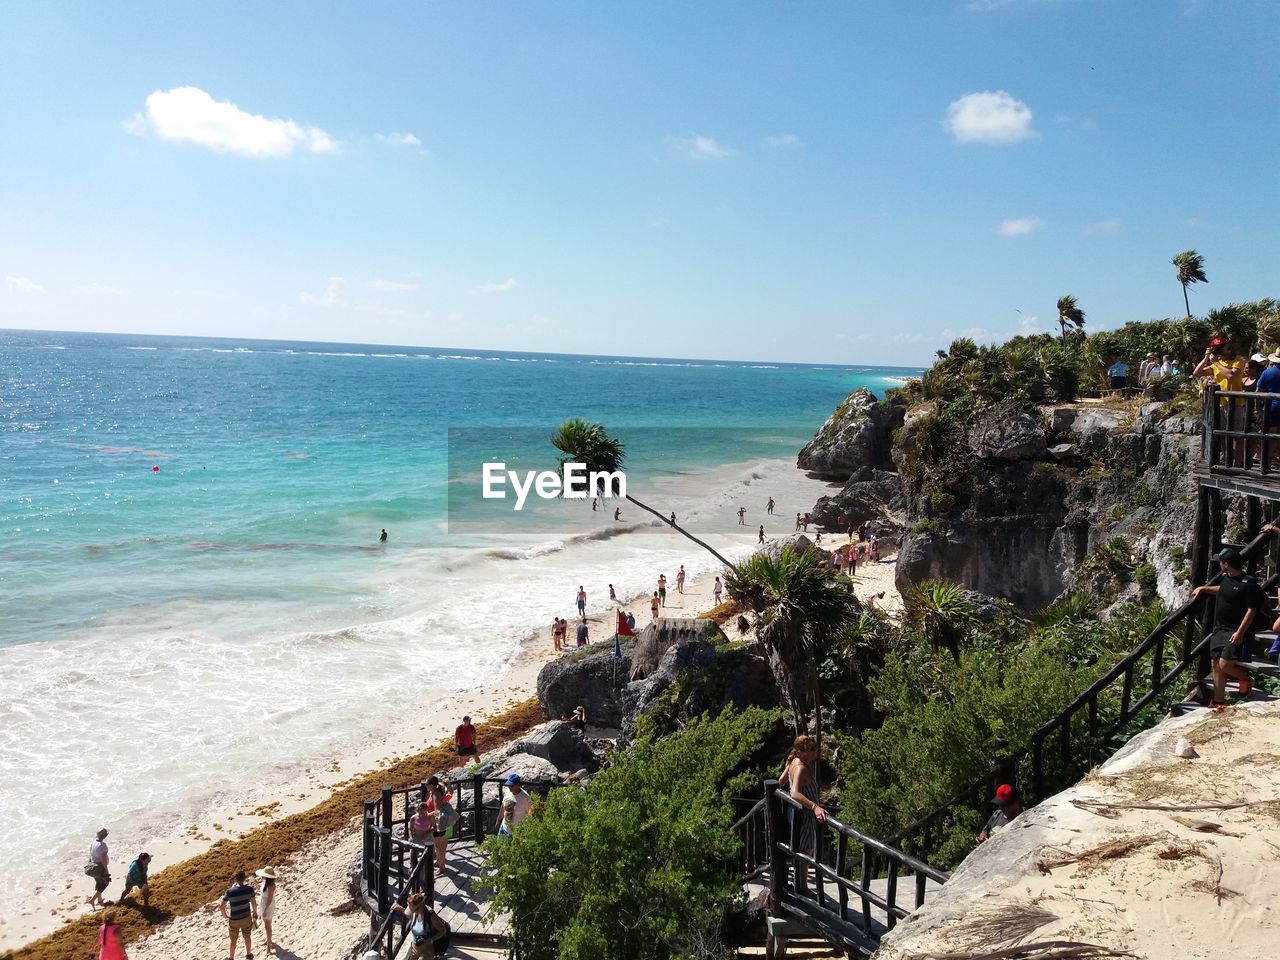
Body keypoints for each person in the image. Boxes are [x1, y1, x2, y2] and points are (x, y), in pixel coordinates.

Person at [1191, 548, 1264, 706]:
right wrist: (1204, 588)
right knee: (1216, 664)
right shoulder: (1226, 578)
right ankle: (1219, 702)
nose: (1219, 565)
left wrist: (1240, 632)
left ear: (1226, 564)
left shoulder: (1248, 584)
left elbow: (1252, 610)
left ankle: (1245, 678)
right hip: (1220, 629)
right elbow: (1223, 590)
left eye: (1221, 562)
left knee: (1225, 664)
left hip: (1235, 630)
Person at [780, 735, 826, 895]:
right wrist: (815, 807)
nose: (814, 752)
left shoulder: (794, 762)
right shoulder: (801, 768)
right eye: (810, 750)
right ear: (800, 752)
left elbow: (781, 780)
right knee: (805, 849)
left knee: (803, 847)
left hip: (796, 813)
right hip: (804, 815)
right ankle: (802, 887)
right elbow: (795, 793)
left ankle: (800, 884)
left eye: (815, 748)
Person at [391, 891, 450, 959]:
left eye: (413, 910)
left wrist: (430, 940)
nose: (412, 911)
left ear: (419, 908)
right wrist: (399, 908)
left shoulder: (430, 916)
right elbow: (410, 915)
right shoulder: (416, 912)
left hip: (427, 949)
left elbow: (443, 931)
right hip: (415, 946)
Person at [220, 869, 258, 960]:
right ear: (244, 878)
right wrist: (255, 913)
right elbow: (253, 903)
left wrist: (225, 915)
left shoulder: (229, 892)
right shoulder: (249, 889)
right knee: (247, 936)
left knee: (233, 940)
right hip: (246, 917)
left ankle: (231, 958)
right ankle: (248, 955)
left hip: (234, 919)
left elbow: (221, 906)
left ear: (235, 879)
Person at [429, 782, 457, 877]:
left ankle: (442, 866)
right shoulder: (445, 798)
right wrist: (448, 785)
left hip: (440, 824)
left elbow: (437, 811)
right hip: (447, 824)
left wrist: (426, 815)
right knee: (442, 845)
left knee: (440, 846)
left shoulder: (437, 797)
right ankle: (439, 862)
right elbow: (451, 792)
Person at [256, 866, 279, 956]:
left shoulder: (271, 886)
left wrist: (264, 910)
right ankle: (269, 941)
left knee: (267, 926)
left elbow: (269, 900)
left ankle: (268, 948)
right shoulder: (265, 882)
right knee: (267, 925)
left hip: (268, 906)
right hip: (264, 904)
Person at [86, 827, 110, 908]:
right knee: (105, 883)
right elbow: (103, 859)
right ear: (105, 836)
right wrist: (106, 870)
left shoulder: (93, 842)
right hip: (99, 867)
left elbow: (91, 854)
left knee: (99, 883)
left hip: (93, 866)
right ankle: (92, 900)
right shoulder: (102, 846)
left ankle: (99, 900)